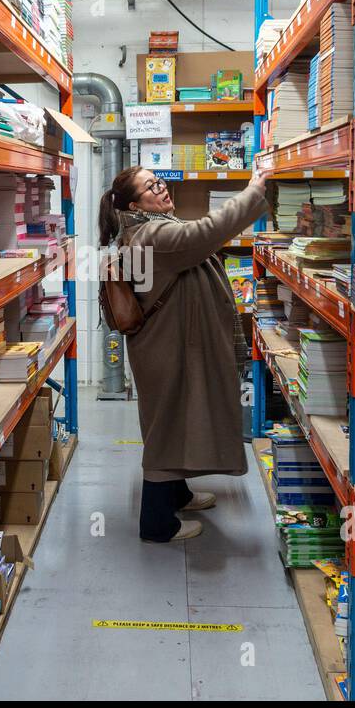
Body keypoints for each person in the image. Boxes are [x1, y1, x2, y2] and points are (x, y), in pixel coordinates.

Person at [98, 166, 269, 541]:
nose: (161, 189)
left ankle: (177, 493)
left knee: (175, 419)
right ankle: (157, 523)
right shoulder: (154, 235)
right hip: (167, 347)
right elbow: (207, 232)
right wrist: (254, 190)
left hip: (166, 343)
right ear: (133, 204)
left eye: (160, 181)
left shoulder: (144, 230)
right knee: (168, 426)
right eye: (151, 186)